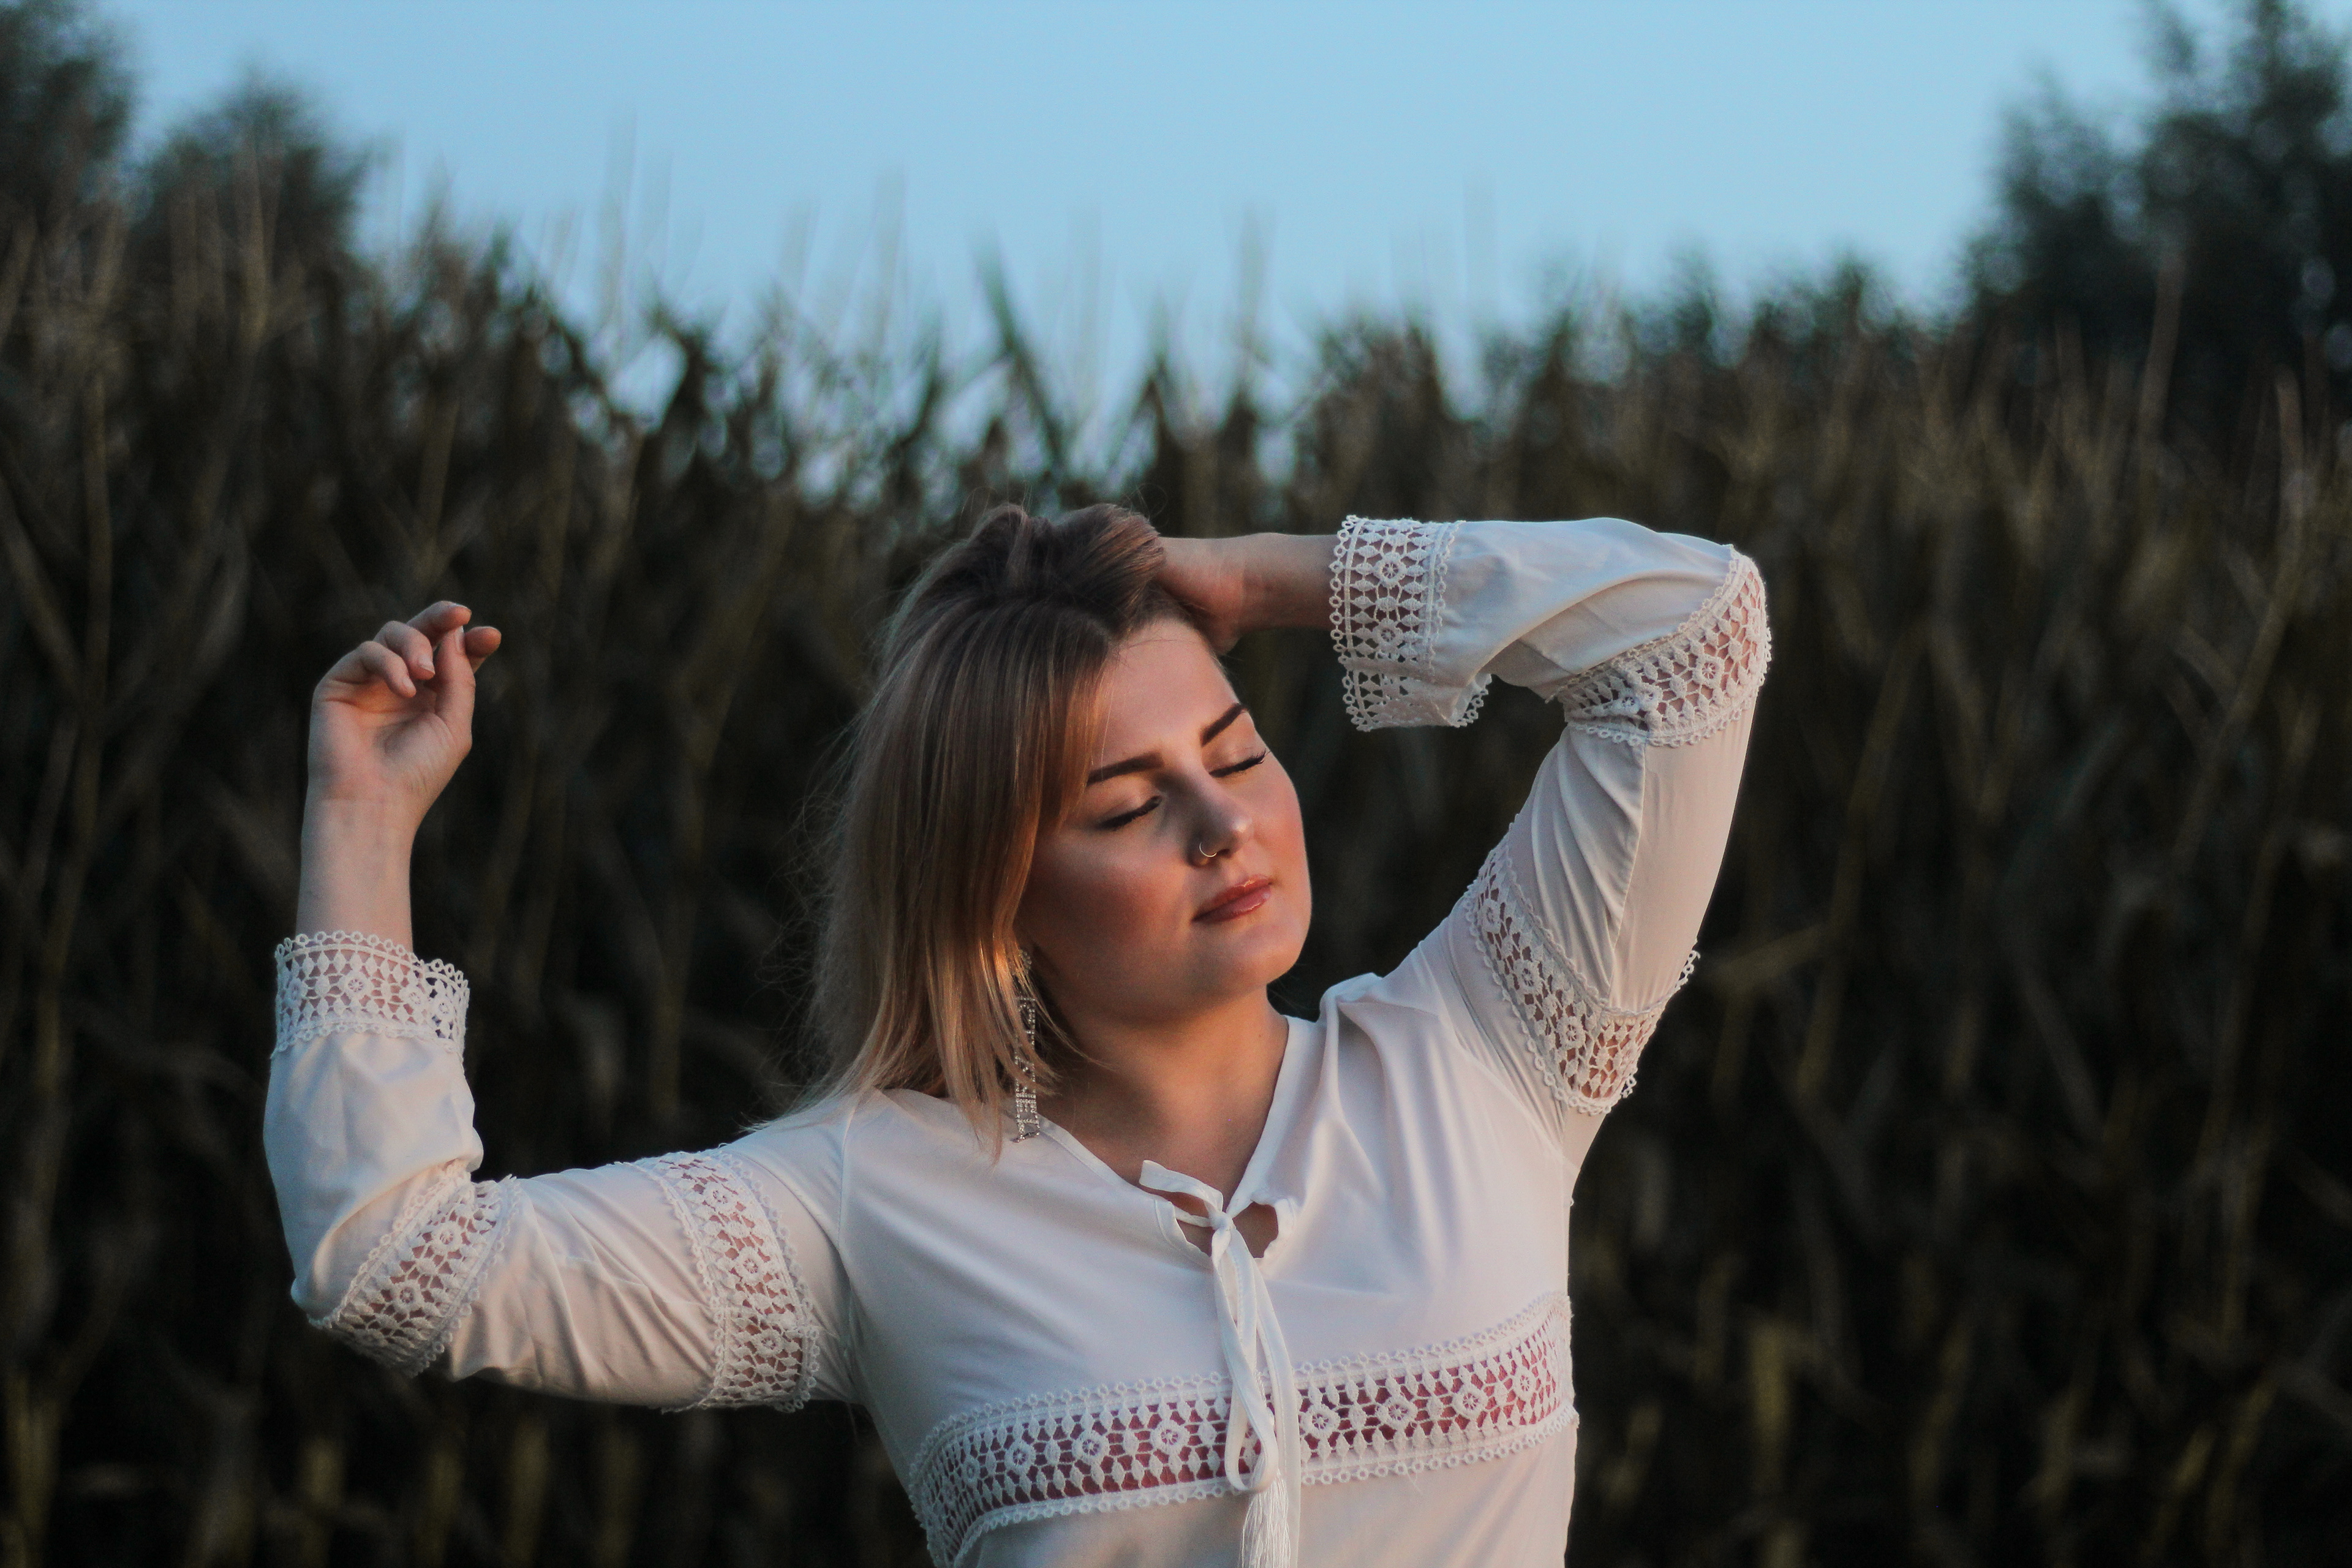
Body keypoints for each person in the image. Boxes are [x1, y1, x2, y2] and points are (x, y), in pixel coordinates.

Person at [266, 505, 1767, 1567]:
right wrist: (362, 816)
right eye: (1126, 805)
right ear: (996, 895)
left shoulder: (1491, 1055)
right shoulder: (870, 1202)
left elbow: (1691, 637)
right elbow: (392, 1256)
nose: (1223, 822)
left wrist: (1250, 579)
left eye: (1237, 750)